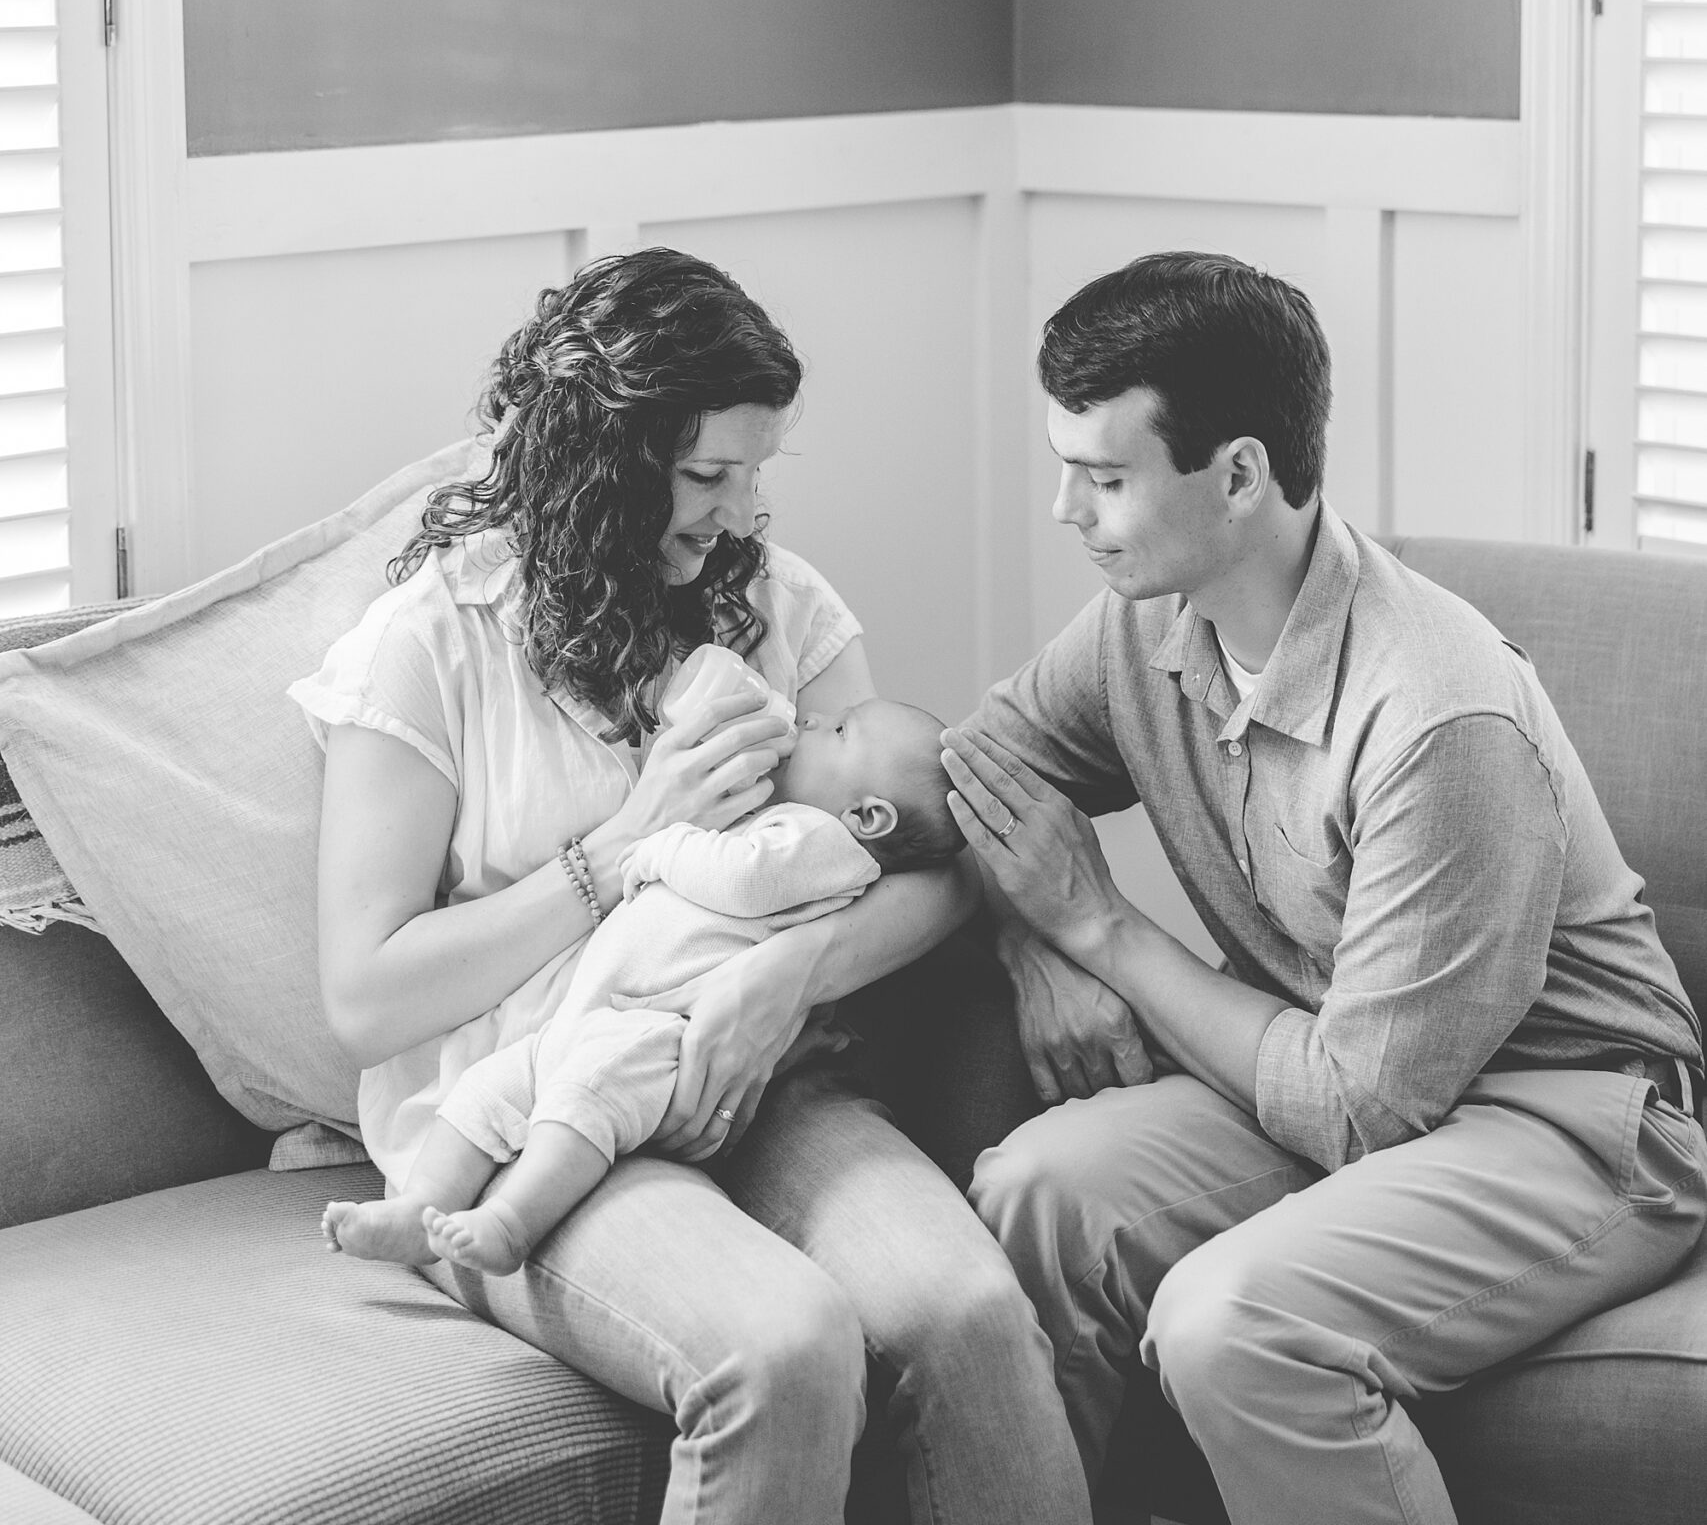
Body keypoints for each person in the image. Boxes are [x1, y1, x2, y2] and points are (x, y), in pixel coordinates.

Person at [290, 248, 1088, 1525]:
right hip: (526, 1116)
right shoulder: (433, 646)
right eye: (707, 474)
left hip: (754, 1077)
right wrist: (620, 848)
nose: (736, 511)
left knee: (972, 1311)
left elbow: (931, 864)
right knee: (781, 1347)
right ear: (601, 466)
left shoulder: (774, 603)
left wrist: (787, 976)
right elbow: (367, 996)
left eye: (755, 472)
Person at [941, 250, 1707, 1525]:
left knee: (1231, 1320)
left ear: (1238, 474)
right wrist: (1035, 952)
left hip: (1572, 1120)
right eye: (1067, 467)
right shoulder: (1148, 620)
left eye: (1107, 477)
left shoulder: (1435, 711)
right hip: (1326, 1070)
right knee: (1036, 1193)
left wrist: (1104, 930)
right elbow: (975, 767)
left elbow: (1364, 1111)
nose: (1067, 510)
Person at [321, 652, 959, 1277]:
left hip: (656, 1029)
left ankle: (513, 1222)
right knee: (486, 1090)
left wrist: (664, 844)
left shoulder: (821, 842)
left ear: (868, 816)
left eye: (841, 729)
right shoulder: (423, 645)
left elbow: (744, 881)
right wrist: (632, 832)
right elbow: (362, 1005)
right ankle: (419, 1208)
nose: (814, 721)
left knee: (582, 1099)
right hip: (588, 1014)